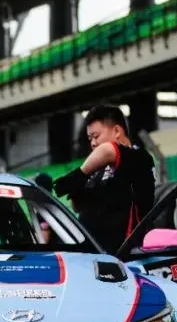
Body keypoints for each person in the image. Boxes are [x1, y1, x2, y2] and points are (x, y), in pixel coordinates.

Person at [52, 105, 157, 253]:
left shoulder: (139, 158)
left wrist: (79, 175)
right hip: (92, 254)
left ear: (116, 131)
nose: (93, 143)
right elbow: (77, 206)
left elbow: (108, 150)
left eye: (96, 136)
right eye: (90, 138)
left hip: (124, 255)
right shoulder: (97, 170)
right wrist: (76, 187)